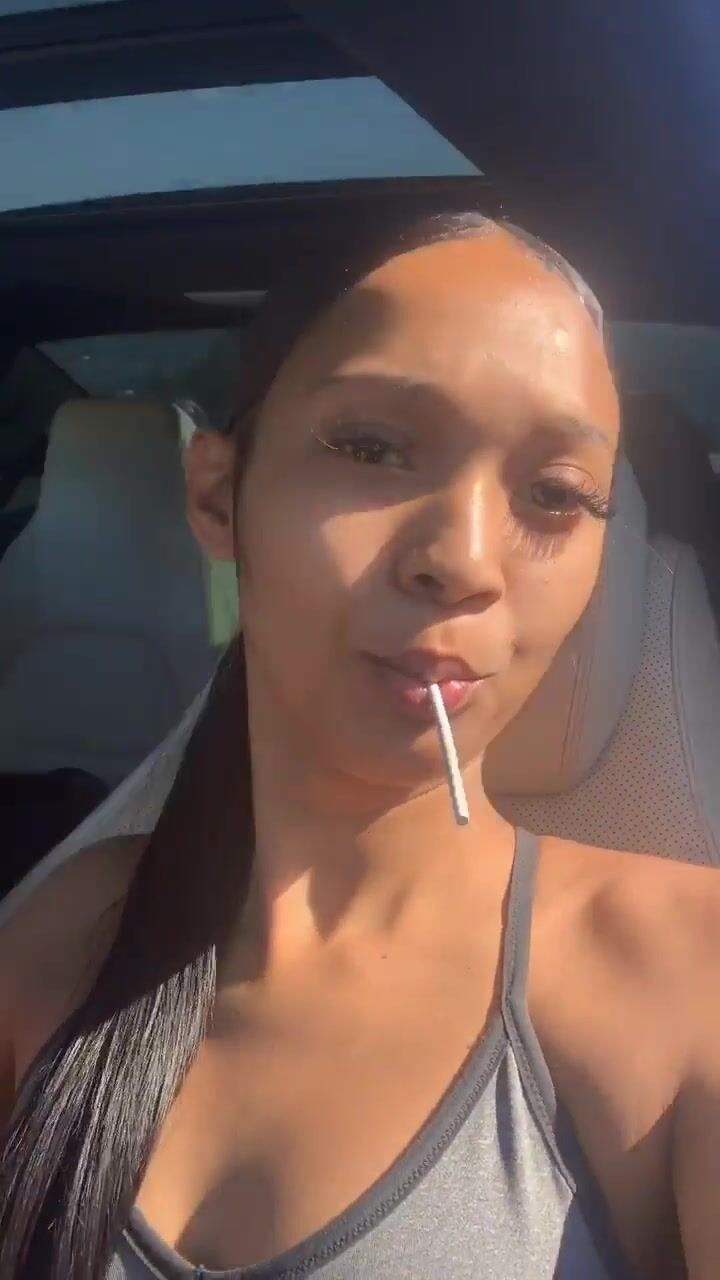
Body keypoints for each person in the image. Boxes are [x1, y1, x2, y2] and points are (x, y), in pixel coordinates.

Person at [1, 213, 718, 1280]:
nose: (463, 561)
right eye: (373, 448)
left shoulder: (683, 976)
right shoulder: (69, 936)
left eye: (554, 495)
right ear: (217, 495)